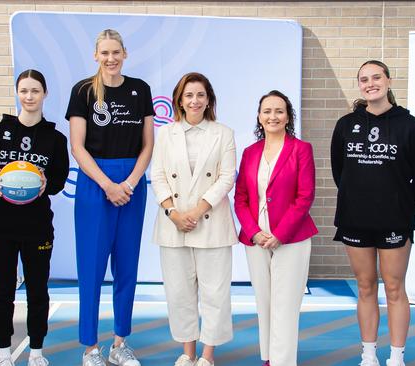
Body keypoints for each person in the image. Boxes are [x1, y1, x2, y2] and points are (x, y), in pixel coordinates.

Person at [330, 60, 415, 366]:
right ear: (359, 84)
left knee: (393, 287)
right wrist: (358, 198)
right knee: (364, 286)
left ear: (388, 81)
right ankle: (369, 354)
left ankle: (397, 356)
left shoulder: (409, 125)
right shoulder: (346, 125)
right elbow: (341, 172)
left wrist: (401, 208)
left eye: (376, 77)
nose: (370, 83)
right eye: (364, 79)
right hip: (355, 220)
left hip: (394, 222)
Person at [65, 29, 154, 366]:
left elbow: (148, 144)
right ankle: (90, 348)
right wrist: (107, 185)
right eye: (105, 53)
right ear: (95, 55)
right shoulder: (83, 91)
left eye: (116, 52)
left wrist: (129, 182)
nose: (111, 58)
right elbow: (77, 147)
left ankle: (120, 344)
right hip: (94, 184)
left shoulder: (139, 90)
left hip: (132, 183)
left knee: (127, 267)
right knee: (91, 268)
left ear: (125, 54)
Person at [0, 69, 69, 366]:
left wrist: (45, 182)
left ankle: (36, 352)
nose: (29, 96)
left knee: (38, 291)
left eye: (35, 91)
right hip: (1, 225)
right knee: (2, 292)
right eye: (24, 90)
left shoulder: (55, 138)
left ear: (45, 94)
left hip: (37, 225)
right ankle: (4, 352)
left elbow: (59, 181)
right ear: (17, 93)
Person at [151, 72, 237, 366]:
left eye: (200, 95)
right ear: (179, 100)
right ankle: (187, 354)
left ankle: (207, 355)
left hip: (211, 223)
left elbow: (227, 177)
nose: (195, 100)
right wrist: (173, 213)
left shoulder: (223, 133)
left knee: (215, 292)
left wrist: (198, 211)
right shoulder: (165, 133)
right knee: (179, 292)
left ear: (209, 99)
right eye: (188, 95)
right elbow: (158, 175)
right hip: (173, 225)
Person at [234, 90, 317, 366]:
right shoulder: (250, 152)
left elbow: (305, 196)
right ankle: (268, 359)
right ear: (259, 116)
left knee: (285, 305)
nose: (273, 116)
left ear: (288, 116)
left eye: (279, 111)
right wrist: (254, 231)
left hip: (290, 236)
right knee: (265, 302)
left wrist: (280, 234)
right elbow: (241, 198)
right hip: (256, 236)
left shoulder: (301, 149)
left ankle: (283, 362)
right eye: (267, 111)